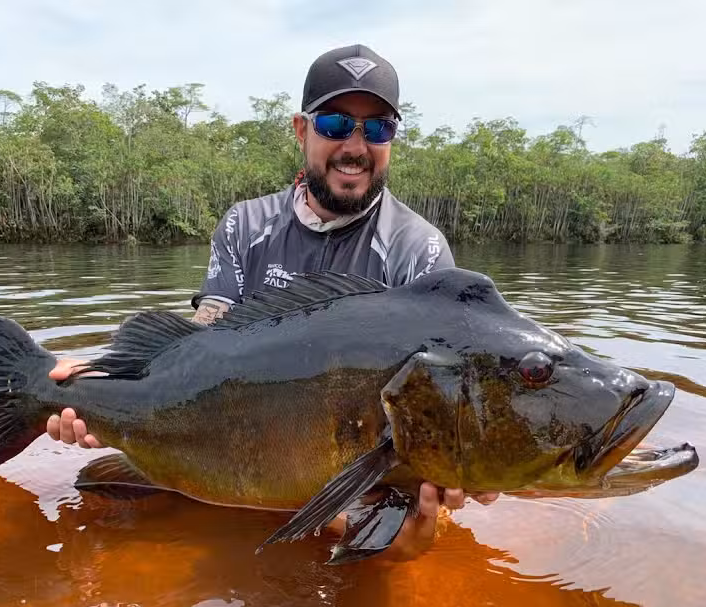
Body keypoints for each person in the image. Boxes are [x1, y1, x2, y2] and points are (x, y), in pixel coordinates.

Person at [46, 44, 499, 561]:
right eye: (334, 123)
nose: (355, 145)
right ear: (302, 130)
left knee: (409, 544)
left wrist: (479, 458)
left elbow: (454, 389)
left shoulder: (419, 249)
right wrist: (101, 382)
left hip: (357, 487)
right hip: (221, 452)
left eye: (376, 129)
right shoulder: (246, 225)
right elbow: (202, 345)